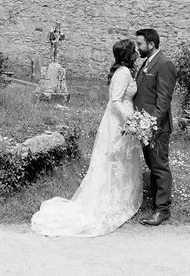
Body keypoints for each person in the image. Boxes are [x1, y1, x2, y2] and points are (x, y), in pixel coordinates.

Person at [31, 39, 143, 237]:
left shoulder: (124, 71)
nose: (136, 52)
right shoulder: (124, 73)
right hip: (120, 121)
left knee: (120, 161)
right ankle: (113, 201)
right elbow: (116, 100)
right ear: (128, 54)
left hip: (122, 120)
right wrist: (131, 121)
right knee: (114, 160)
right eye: (133, 50)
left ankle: (121, 198)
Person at [133, 27, 177, 226]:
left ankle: (162, 209)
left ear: (151, 44)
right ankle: (154, 203)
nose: (137, 47)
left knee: (159, 166)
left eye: (140, 44)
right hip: (145, 127)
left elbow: (163, 99)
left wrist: (152, 124)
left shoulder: (164, 64)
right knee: (152, 165)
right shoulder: (147, 62)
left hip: (156, 127)